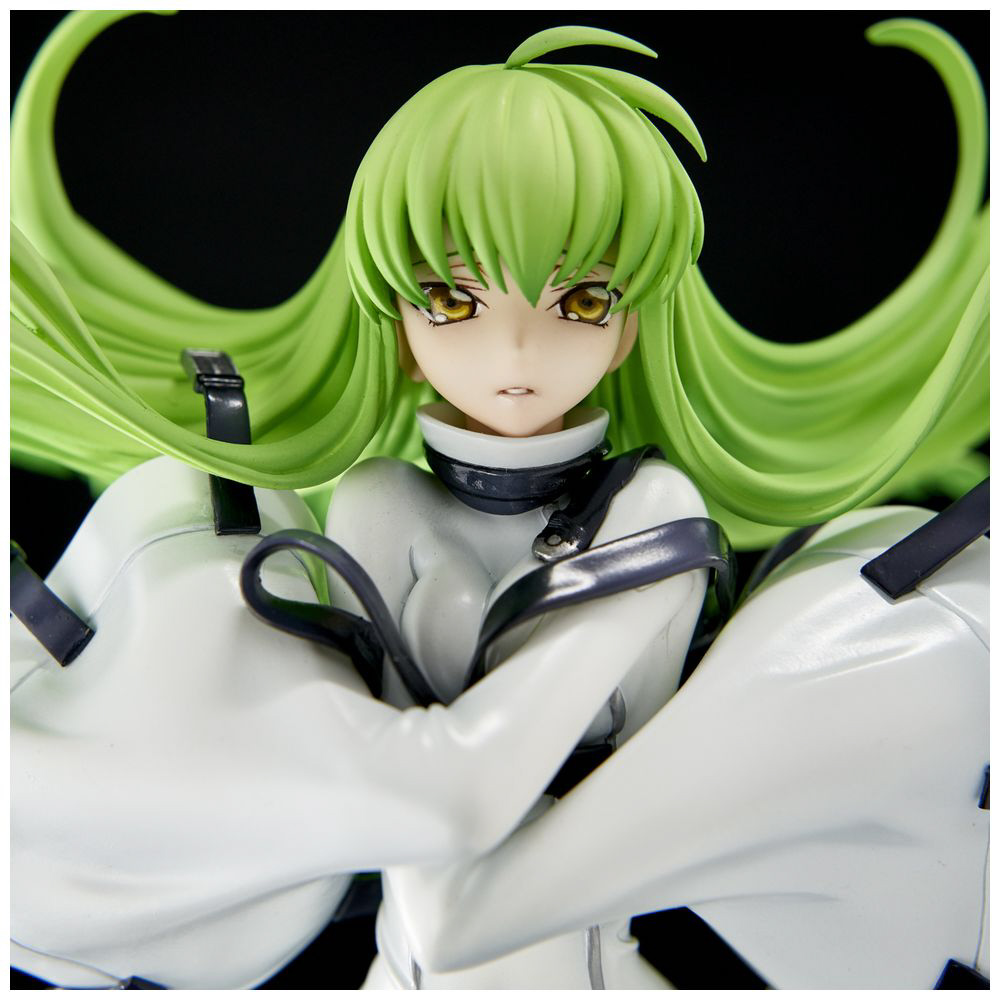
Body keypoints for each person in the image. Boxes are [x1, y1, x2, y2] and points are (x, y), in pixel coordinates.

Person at [10, 12, 988, 989]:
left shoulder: (649, 509)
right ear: (397, 326)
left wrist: (337, 796)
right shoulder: (377, 503)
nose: (516, 351)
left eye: (583, 300)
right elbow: (411, 817)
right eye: (451, 300)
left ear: (627, 332)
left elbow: (449, 816)